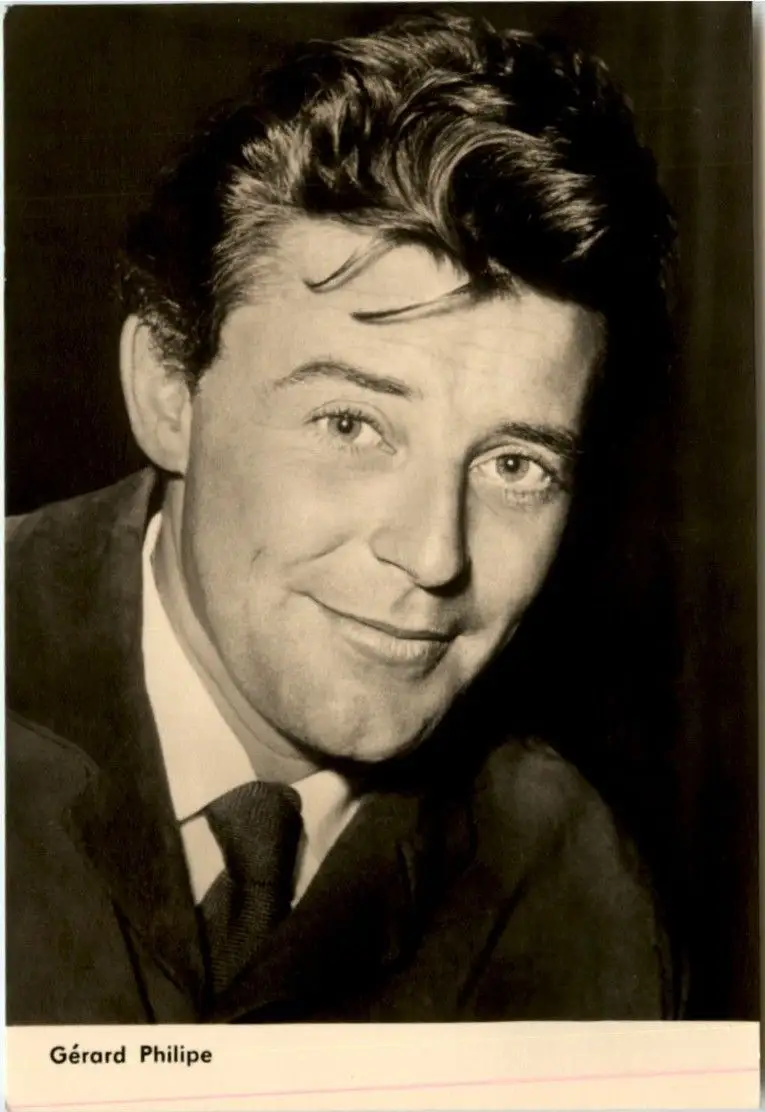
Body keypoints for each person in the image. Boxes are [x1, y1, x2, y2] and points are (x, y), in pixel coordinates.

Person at [6, 11, 678, 1024]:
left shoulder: (575, 891)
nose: (433, 554)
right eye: (351, 423)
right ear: (170, 392)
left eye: (513, 464)